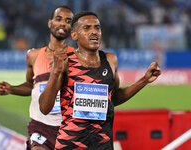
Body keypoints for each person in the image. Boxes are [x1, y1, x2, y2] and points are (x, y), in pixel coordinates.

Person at [39, 11, 161, 150]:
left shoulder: (110, 60)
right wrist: (55, 72)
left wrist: (144, 80)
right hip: (70, 145)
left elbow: (114, 98)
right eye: (87, 28)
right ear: (74, 35)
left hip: (102, 145)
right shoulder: (65, 62)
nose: (94, 32)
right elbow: (44, 108)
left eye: (97, 27)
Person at [0, 6, 74, 150]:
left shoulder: (77, 58)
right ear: (50, 23)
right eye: (58, 19)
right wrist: (11, 88)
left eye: (68, 21)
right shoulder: (33, 55)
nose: (63, 23)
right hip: (40, 126)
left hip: (68, 128)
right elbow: (30, 85)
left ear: (72, 28)